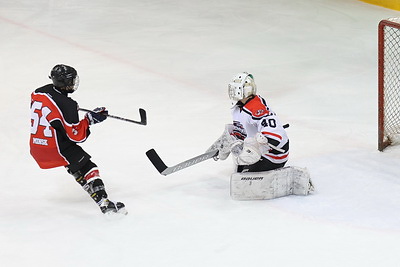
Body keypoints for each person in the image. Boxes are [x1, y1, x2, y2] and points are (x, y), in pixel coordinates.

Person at [30, 64, 127, 215]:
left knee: (74, 164)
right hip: (56, 148)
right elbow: (77, 136)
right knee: (89, 167)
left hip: (37, 145)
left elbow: (53, 111)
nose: (74, 83)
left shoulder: (39, 92)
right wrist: (89, 120)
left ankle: (88, 185)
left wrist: (67, 109)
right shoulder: (68, 105)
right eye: (71, 80)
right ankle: (105, 203)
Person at [208, 72, 289, 173]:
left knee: (244, 177)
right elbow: (242, 131)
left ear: (240, 91)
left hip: (273, 155)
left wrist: (260, 142)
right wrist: (226, 141)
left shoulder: (256, 108)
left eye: (233, 89)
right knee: (239, 164)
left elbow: (275, 134)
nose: (231, 92)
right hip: (258, 152)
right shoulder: (237, 108)